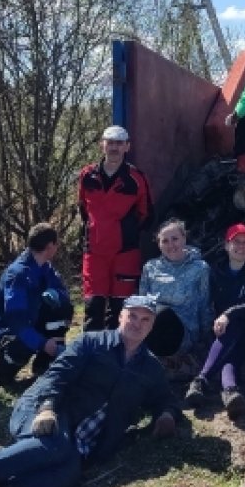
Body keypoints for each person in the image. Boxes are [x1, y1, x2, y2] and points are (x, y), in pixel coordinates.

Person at [0, 295, 181, 487]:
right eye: (132, 316)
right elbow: (55, 376)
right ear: (120, 316)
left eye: (145, 319)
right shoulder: (90, 343)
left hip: (80, 441)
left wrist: (166, 415)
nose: (137, 324)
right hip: (45, 410)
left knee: (67, 477)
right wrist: (47, 406)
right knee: (55, 446)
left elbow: (166, 399)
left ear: (151, 326)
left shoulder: (151, 368)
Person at [184, 224, 245, 419]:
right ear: (226, 245)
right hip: (227, 336)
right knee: (231, 351)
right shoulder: (216, 272)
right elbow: (207, 302)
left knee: (236, 325)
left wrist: (229, 314)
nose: (241, 247)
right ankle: (230, 391)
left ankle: (201, 379)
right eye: (236, 242)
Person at [77, 125, 152, 332]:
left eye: (119, 143)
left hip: (125, 253)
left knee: (120, 311)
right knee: (93, 308)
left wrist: (124, 232)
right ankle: (91, 357)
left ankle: (116, 358)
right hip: (94, 252)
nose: (114, 147)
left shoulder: (137, 179)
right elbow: (83, 209)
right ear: (102, 145)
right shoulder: (87, 175)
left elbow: (145, 214)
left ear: (127, 146)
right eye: (110, 142)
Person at [0, 223, 74, 389]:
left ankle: (43, 366)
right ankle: (1, 374)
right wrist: (42, 343)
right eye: (56, 244)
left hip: (32, 323)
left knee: (63, 310)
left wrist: (56, 297)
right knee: (23, 344)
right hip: (5, 331)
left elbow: (63, 295)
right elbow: (16, 319)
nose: (57, 247)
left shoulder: (46, 269)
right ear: (49, 246)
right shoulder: (18, 274)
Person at [138, 219, 212, 359]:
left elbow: (205, 305)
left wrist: (207, 339)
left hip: (184, 332)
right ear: (159, 244)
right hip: (154, 329)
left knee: (161, 314)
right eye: (165, 241)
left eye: (175, 239)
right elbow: (142, 303)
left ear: (184, 239)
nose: (171, 245)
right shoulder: (150, 268)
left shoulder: (200, 268)